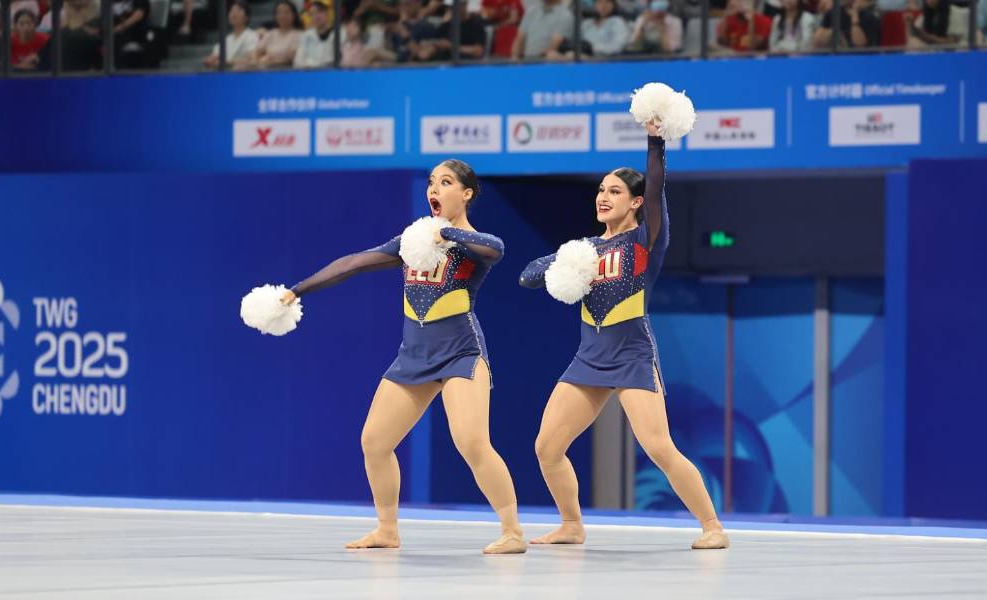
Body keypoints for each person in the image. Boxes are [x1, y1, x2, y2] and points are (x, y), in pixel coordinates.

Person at [279, 160, 526, 555]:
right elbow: (353, 264)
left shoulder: (472, 244)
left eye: (446, 182)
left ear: (466, 194)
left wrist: (444, 232)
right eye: (431, 182)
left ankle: (512, 532)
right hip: (414, 356)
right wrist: (296, 291)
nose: (434, 189)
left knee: (472, 441)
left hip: (461, 354)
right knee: (375, 441)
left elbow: (494, 248)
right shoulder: (412, 242)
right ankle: (387, 530)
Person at [520, 120, 729, 551]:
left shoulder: (644, 239)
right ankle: (571, 524)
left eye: (614, 191)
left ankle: (713, 527)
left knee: (659, 447)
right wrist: (563, 263)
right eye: (600, 189)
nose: (603, 196)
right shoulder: (584, 249)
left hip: (632, 355)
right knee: (547, 447)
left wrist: (655, 139)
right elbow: (527, 276)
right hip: (589, 360)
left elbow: (656, 186)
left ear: (635, 202)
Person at [204, 2, 259, 69]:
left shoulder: (251, 36)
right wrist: (210, 60)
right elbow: (215, 55)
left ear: (246, 17)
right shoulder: (227, 39)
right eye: (231, 11)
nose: (233, 14)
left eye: (238, 11)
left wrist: (227, 62)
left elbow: (252, 61)